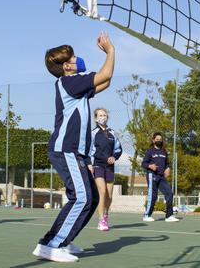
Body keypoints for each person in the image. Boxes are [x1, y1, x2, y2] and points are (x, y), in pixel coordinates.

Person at [32, 33, 115, 263]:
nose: (77, 58)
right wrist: (110, 51)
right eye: (72, 56)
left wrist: (108, 60)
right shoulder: (70, 82)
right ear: (66, 65)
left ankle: (62, 241)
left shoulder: (75, 85)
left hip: (74, 152)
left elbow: (105, 81)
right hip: (65, 149)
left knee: (91, 198)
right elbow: (105, 74)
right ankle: (51, 244)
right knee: (82, 198)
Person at [88, 107, 122, 231]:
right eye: (100, 115)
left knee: (109, 195)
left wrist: (114, 157)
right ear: (96, 118)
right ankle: (101, 220)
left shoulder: (113, 133)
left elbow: (118, 149)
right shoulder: (92, 133)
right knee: (102, 192)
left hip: (109, 167)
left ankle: (106, 215)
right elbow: (88, 150)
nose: (103, 117)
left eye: (105, 115)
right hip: (97, 165)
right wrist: (89, 164)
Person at [142, 132, 179, 222]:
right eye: (157, 139)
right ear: (153, 140)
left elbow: (167, 164)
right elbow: (143, 163)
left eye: (160, 140)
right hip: (152, 175)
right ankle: (147, 215)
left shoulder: (164, 151)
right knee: (153, 196)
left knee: (169, 193)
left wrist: (168, 169)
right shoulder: (150, 151)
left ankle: (169, 216)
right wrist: (150, 166)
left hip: (161, 177)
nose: (159, 141)